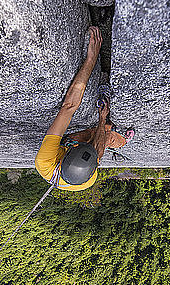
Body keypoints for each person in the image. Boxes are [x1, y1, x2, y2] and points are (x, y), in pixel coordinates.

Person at [35, 27, 134, 191]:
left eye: (74, 147)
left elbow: (69, 107)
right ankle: (121, 141)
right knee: (106, 136)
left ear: (67, 154)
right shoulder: (88, 179)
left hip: (63, 153)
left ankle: (103, 129)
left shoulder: (45, 160)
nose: (75, 145)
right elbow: (97, 150)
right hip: (82, 162)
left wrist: (91, 59)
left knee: (89, 134)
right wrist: (102, 118)